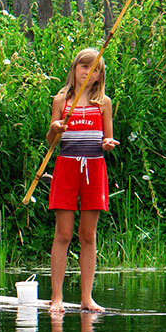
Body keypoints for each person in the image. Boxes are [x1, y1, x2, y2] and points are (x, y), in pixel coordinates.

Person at [46, 48, 119, 313]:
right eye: (84, 67)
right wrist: (54, 129)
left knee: (88, 235)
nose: (89, 73)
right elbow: (51, 141)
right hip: (66, 168)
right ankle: (56, 298)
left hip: (94, 169)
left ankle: (86, 298)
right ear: (75, 69)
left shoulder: (104, 103)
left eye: (95, 69)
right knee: (63, 233)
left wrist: (108, 143)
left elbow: (106, 138)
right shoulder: (61, 100)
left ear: (101, 75)